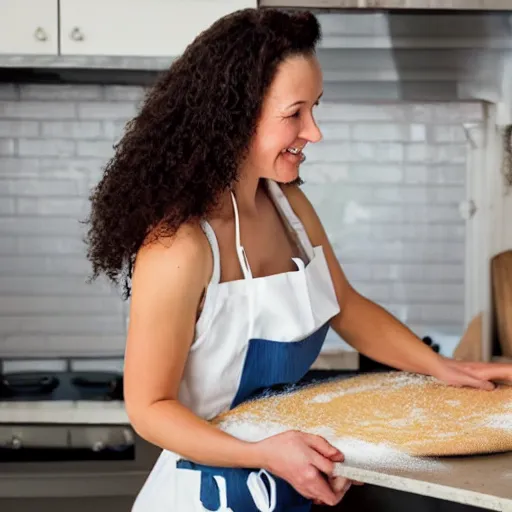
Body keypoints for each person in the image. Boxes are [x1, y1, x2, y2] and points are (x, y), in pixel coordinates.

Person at [84, 8, 512, 512]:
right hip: (204, 495)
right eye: (295, 113)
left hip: (285, 483)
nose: (314, 131)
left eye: (316, 108)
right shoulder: (179, 245)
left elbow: (345, 306)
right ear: (234, 115)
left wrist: (444, 368)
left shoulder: (286, 206)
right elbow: (150, 409)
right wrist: (259, 452)